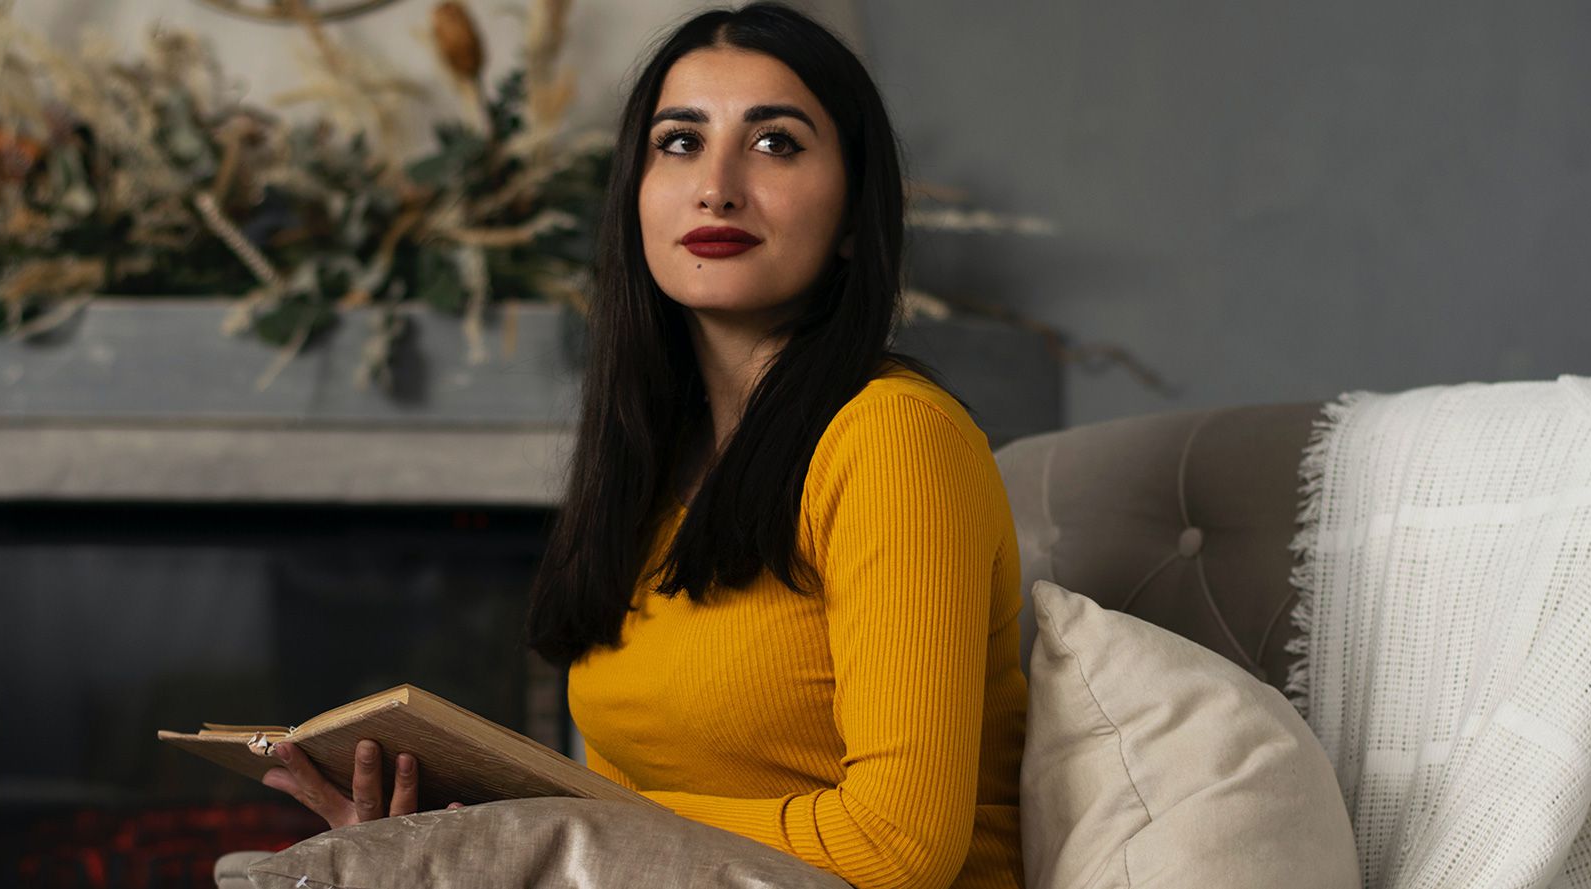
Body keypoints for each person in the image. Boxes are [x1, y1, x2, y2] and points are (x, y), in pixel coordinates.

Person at [264, 5, 1026, 888]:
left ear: (856, 214)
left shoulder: (894, 438)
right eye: (679, 142)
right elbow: (628, 830)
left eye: (776, 143)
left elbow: (899, 848)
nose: (718, 186)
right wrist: (431, 835)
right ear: (635, 194)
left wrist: (542, 823)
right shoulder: (654, 465)